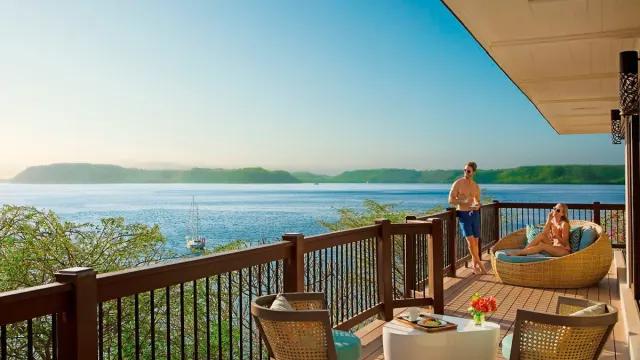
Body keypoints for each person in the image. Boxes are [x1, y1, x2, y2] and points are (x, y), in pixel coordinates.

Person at [448, 161, 484, 274]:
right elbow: (450, 200)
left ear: (473, 172)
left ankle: (475, 266)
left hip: (474, 215)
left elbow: (478, 201)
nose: (465, 172)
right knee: (470, 242)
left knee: (476, 242)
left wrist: (477, 206)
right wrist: (463, 200)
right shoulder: (458, 183)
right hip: (463, 214)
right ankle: (481, 265)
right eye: (464, 170)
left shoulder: (476, 186)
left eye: (468, 171)